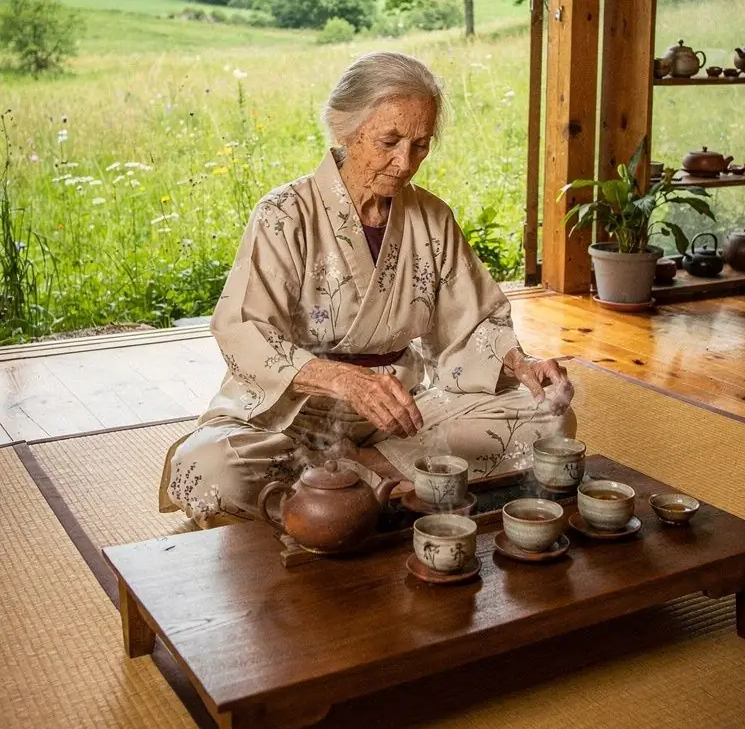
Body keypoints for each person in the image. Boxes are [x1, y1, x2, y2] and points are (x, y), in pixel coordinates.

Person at [160, 52, 575, 525]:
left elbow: (472, 321)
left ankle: (347, 485)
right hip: (295, 414)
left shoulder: (432, 217)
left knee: (548, 418)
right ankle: (390, 487)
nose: (405, 163)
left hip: (402, 412)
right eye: (389, 141)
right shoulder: (283, 215)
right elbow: (243, 330)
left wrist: (519, 364)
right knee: (211, 466)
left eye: (420, 145)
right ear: (343, 129)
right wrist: (341, 379)